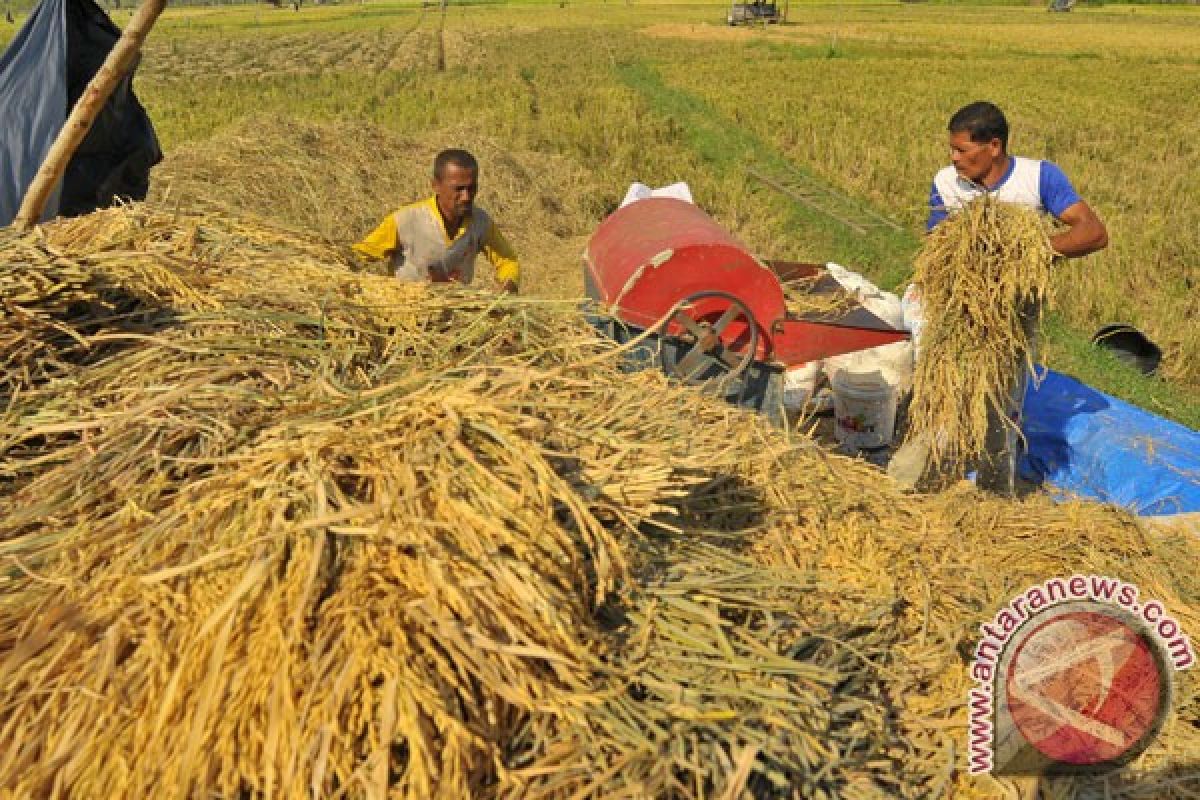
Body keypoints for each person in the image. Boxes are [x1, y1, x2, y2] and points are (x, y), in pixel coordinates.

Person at [889, 101, 1108, 495]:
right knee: (939, 387)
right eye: (951, 150)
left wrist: (1026, 256)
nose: (953, 158)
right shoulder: (946, 183)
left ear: (993, 146)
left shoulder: (1038, 177)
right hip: (955, 305)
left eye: (962, 150)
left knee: (1002, 398)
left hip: (1011, 312)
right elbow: (934, 243)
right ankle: (912, 483)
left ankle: (994, 493)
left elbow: (1092, 232)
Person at [354, 149, 519, 293]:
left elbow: (507, 261)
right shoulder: (405, 220)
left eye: (472, 188)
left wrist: (509, 285)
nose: (466, 196)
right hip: (406, 315)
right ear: (436, 186)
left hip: (454, 316)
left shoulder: (480, 223)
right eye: (458, 189)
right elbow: (360, 254)